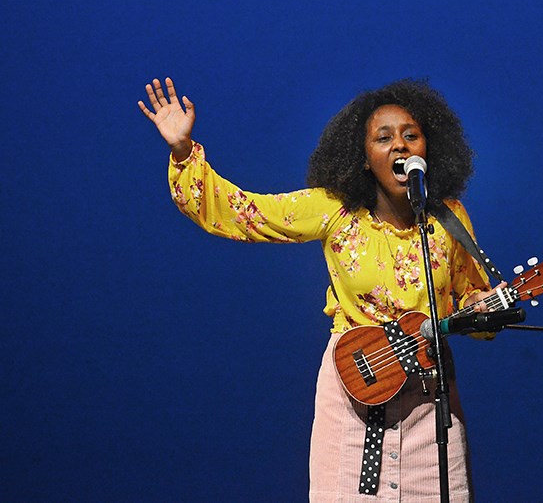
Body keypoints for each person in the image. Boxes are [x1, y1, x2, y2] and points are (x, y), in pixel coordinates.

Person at [138, 77, 502, 502]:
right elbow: (243, 213)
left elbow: (473, 301)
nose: (400, 146)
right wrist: (184, 151)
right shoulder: (335, 210)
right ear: (364, 159)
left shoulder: (448, 218)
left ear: (428, 147)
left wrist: (487, 309)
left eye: (411, 135)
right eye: (384, 138)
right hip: (354, 395)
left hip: (429, 403)